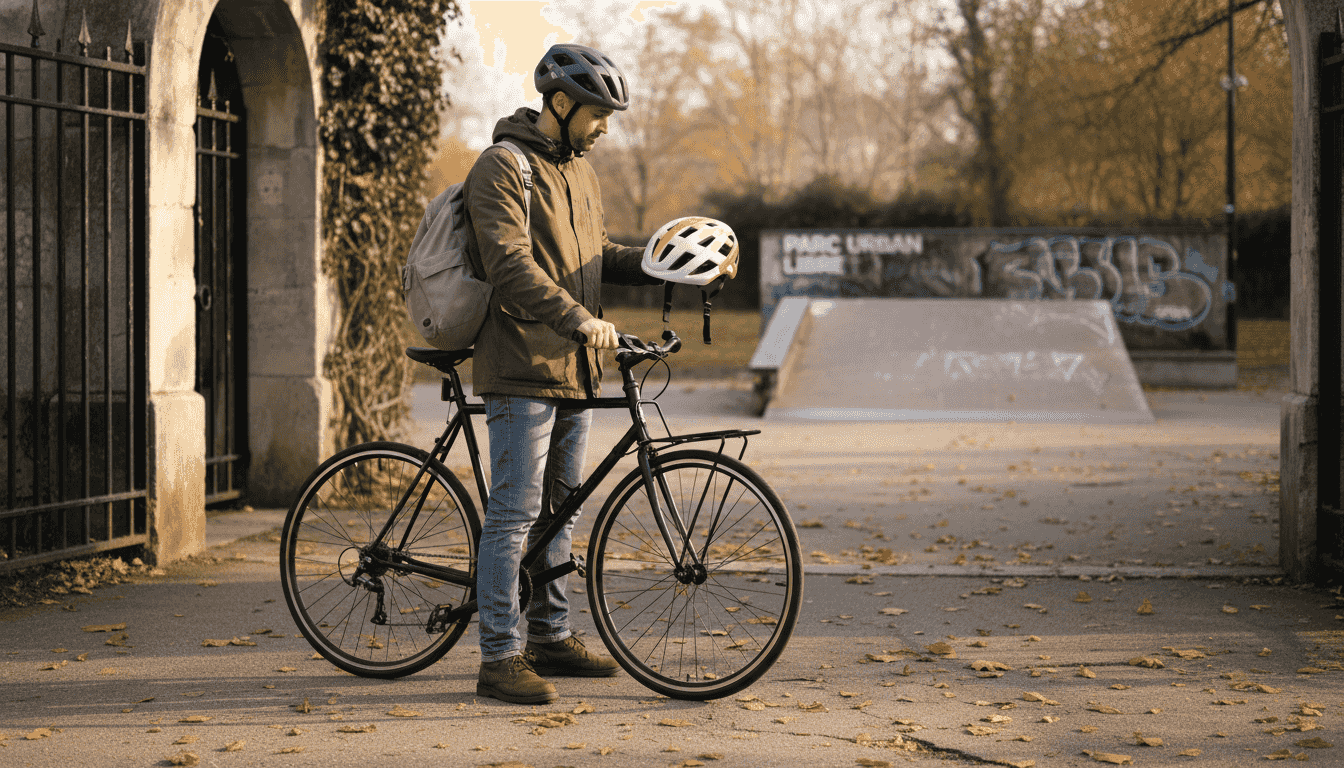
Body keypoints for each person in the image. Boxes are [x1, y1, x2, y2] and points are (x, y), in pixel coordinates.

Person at [461, 43, 659, 705]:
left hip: (575, 367)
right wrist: (577, 318)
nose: (606, 126)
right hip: (519, 363)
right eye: (599, 112)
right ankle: (499, 657)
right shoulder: (501, 166)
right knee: (514, 514)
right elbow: (509, 264)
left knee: (560, 513)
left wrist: (670, 262)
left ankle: (551, 636)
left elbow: (594, 255)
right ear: (563, 102)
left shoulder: (578, 171)